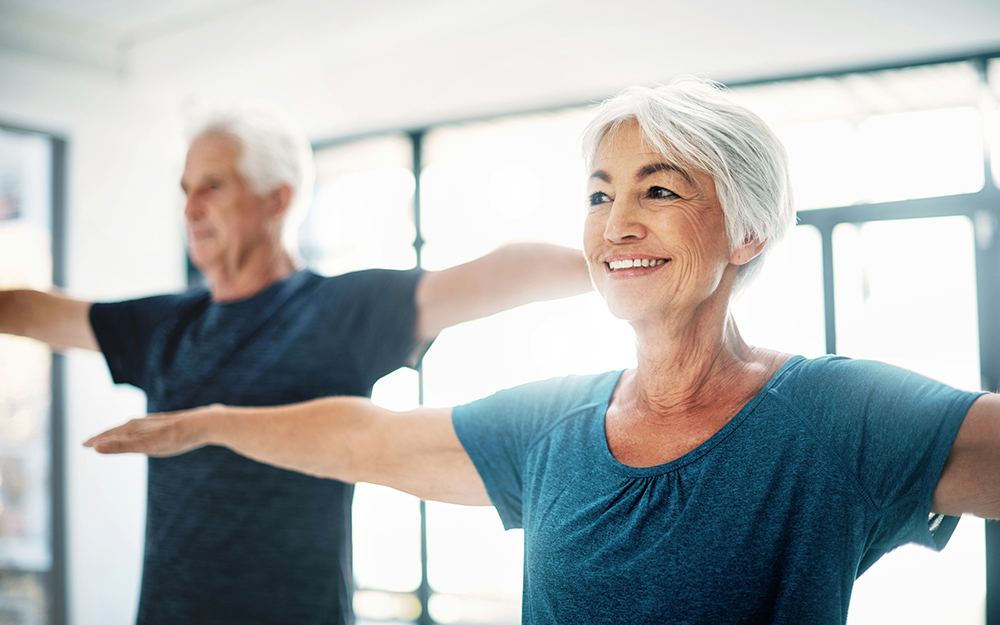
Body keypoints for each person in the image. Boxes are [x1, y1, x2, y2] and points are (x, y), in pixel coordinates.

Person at [84, 79, 1000, 624]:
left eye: (660, 189)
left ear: (749, 231)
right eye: (600, 195)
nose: (618, 222)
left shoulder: (838, 418)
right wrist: (208, 421)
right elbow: (367, 438)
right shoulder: (556, 424)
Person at [0, 108, 593, 625]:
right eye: (185, 189)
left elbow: (497, 274)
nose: (191, 208)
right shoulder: (164, 327)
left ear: (276, 199)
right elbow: (30, 311)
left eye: (213, 186)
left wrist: (628, 264)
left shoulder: (339, 311)